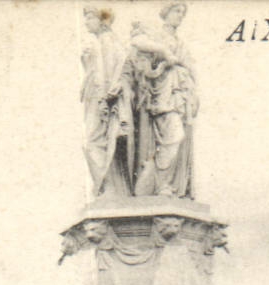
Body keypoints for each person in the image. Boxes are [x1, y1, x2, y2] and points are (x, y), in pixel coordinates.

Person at [127, 4, 198, 198]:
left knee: (179, 139)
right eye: (176, 11)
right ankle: (161, 185)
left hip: (179, 95)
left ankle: (170, 186)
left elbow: (190, 66)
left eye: (182, 13)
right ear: (166, 13)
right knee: (173, 137)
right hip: (162, 93)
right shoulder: (157, 34)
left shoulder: (180, 42)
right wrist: (164, 51)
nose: (180, 16)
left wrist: (194, 91)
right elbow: (137, 42)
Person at [80, 6, 133, 197]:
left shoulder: (106, 41)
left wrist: (103, 99)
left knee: (94, 142)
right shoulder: (104, 41)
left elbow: (106, 73)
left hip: (100, 100)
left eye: (90, 18)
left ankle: (107, 187)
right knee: (99, 142)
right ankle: (108, 187)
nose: (86, 22)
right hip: (96, 99)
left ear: (101, 21)